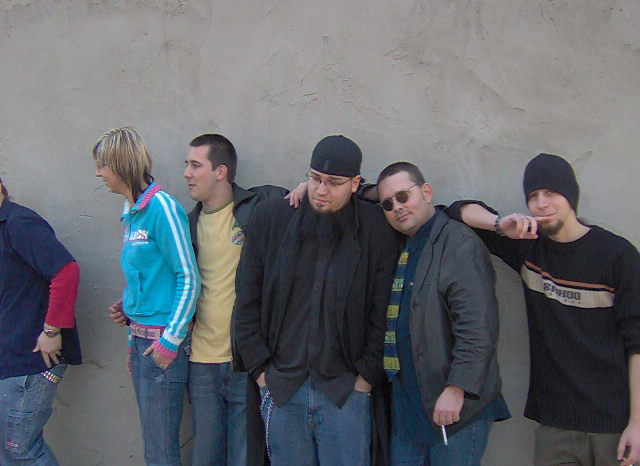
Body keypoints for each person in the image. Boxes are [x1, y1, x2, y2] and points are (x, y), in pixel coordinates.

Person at [447, 153, 640, 466]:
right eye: (533, 196)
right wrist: (499, 225)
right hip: (555, 425)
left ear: (571, 195)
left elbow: (637, 344)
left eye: (551, 193)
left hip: (613, 426)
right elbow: (456, 212)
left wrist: (637, 424)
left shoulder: (618, 255)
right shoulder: (529, 248)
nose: (541, 204)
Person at [234, 135, 400, 466]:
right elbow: (246, 299)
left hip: (345, 393)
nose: (321, 190)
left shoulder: (375, 229)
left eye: (334, 182)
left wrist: (365, 380)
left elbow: (382, 311)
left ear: (355, 184)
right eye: (315, 178)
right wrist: (260, 373)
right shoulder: (272, 219)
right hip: (282, 388)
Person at [376, 162, 510, 466]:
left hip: (455, 411)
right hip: (408, 412)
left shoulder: (458, 242)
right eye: (388, 204)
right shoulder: (405, 243)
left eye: (403, 196)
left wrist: (457, 387)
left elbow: (478, 326)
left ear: (426, 192)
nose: (397, 207)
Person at [94, 127, 200, 466]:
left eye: (102, 165)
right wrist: (129, 320)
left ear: (120, 164)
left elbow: (188, 276)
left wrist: (170, 340)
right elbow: (144, 279)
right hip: (142, 343)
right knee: (154, 447)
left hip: (161, 344)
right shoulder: (131, 212)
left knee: (161, 451)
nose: (98, 174)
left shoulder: (162, 208)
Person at [183, 133, 289, 466]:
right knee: (205, 456)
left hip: (244, 361)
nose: (187, 173)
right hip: (201, 361)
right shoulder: (187, 225)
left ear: (221, 172)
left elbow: (310, 198)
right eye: (187, 165)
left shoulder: (257, 209)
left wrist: (304, 188)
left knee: (245, 457)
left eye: (195, 165)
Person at [0, 176, 82, 465]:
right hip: (13, 362)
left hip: (30, 363)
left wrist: (51, 331)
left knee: (21, 451)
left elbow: (67, 271)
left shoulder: (19, 224)